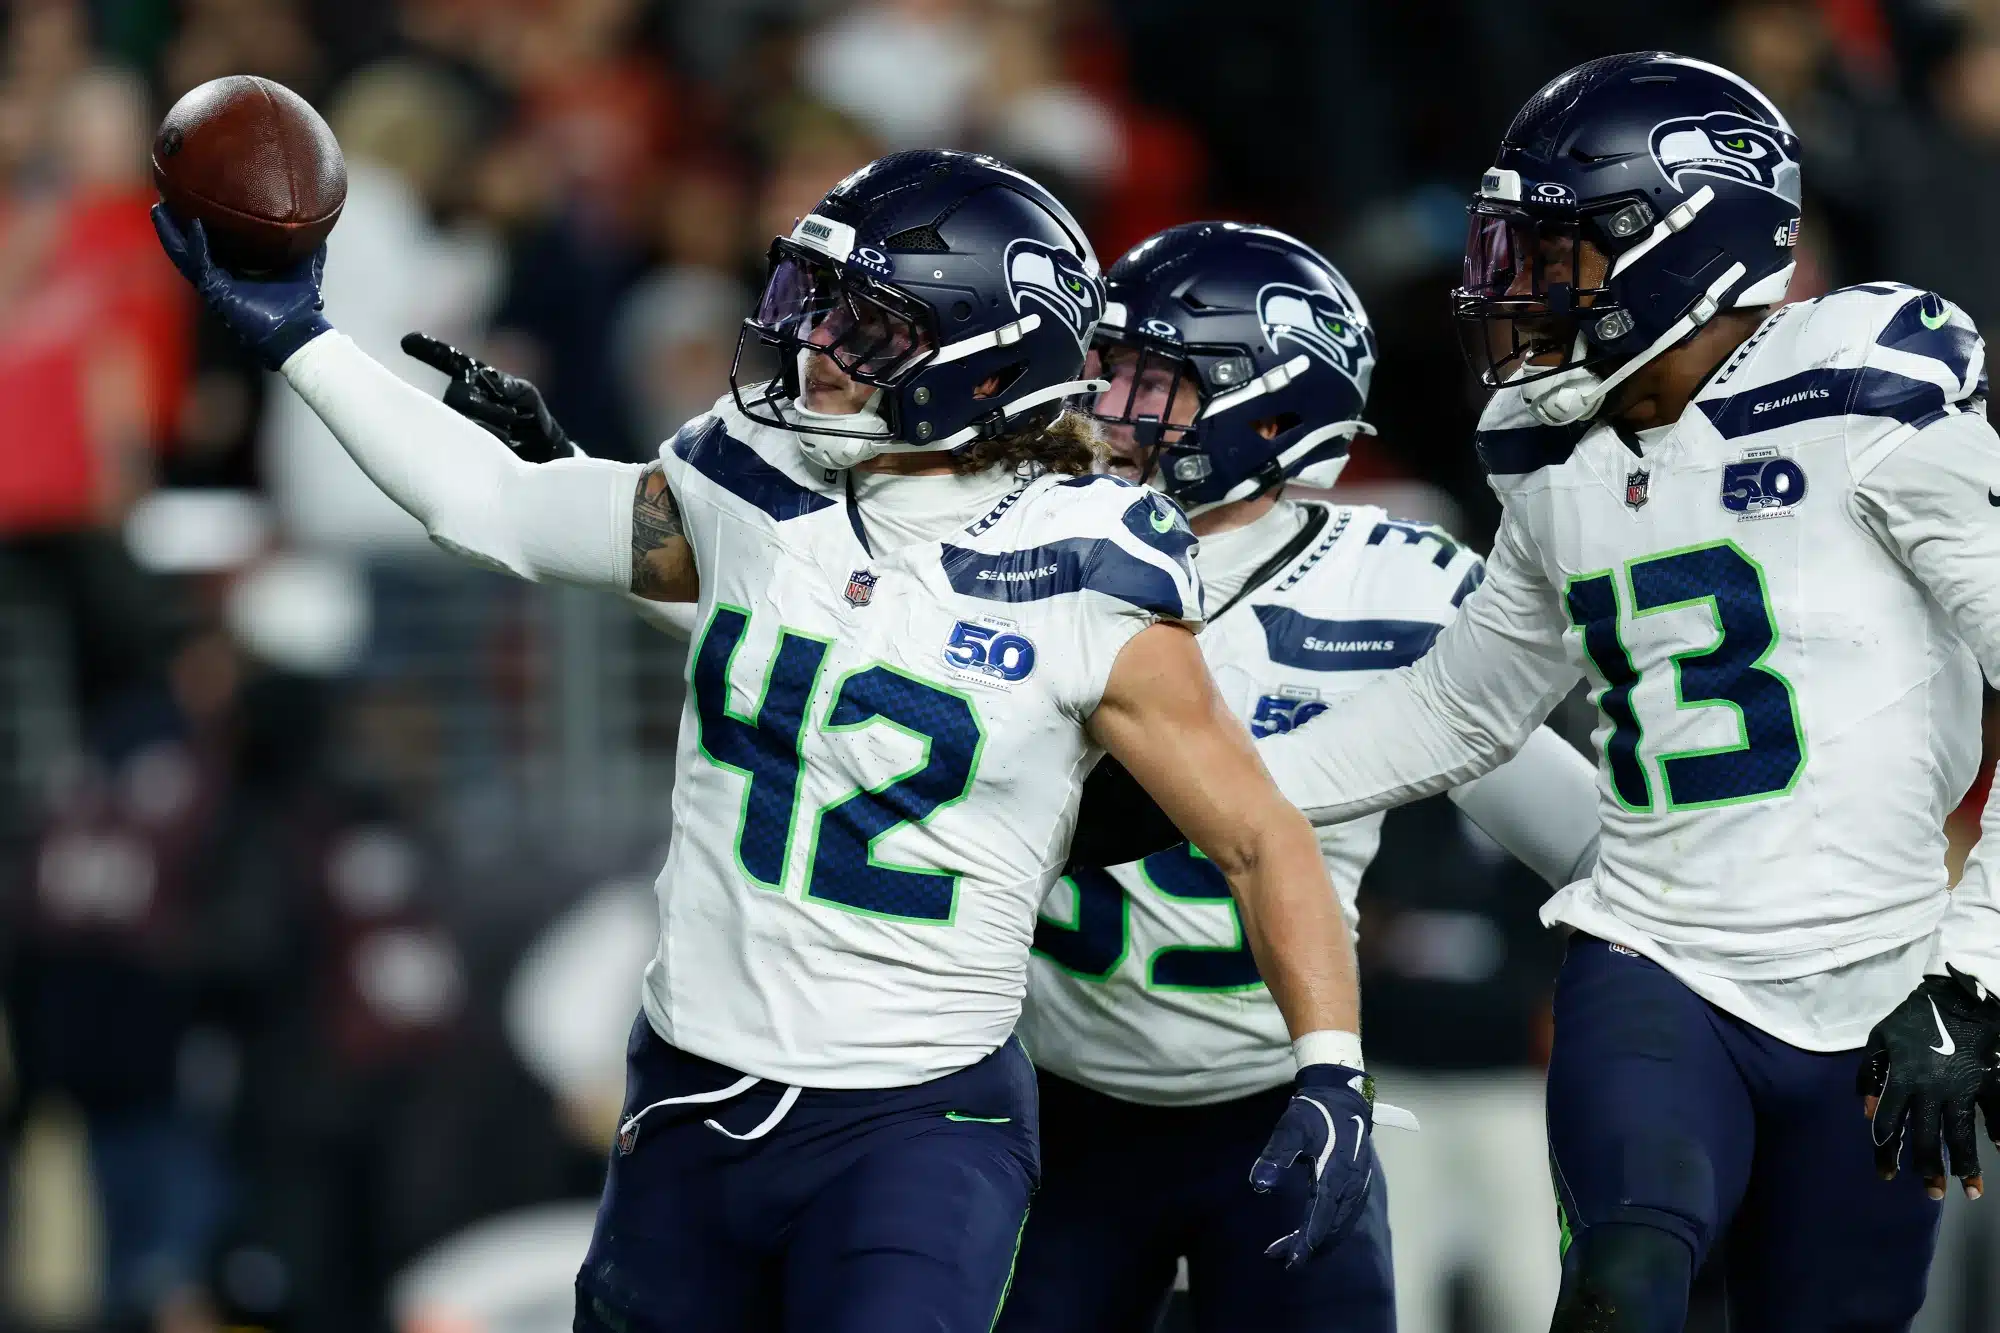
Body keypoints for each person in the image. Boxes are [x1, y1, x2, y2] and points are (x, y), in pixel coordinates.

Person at [151, 149, 1376, 1333]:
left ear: (984, 363)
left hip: (917, 1120)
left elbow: (1257, 834)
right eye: (822, 303)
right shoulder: (752, 473)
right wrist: (303, 337)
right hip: (691, 1087)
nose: (817, 341)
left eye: (869, 324)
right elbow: (497, 507)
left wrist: (1328, 1067)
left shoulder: (1090, 564)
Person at [1142, 53, 2000, 1333]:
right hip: (1650, 953)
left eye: (1555, 250)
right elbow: (1461, 706)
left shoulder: (1864, 403)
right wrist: (1202, 794)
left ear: (1685, 237)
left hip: (1882, 969)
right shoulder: (1555, 448)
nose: (1515, 285)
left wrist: (1974, 970)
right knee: (1620, 1283)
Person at [994, 221, 1598, 1333]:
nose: (1105, 404)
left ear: (1268, 410)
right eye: (1104, 366)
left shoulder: (1390, 586)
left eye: (1150, 379)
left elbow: (1580, 836)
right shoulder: (1012, 539)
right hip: (1049, 1095)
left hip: (1283, 1098)